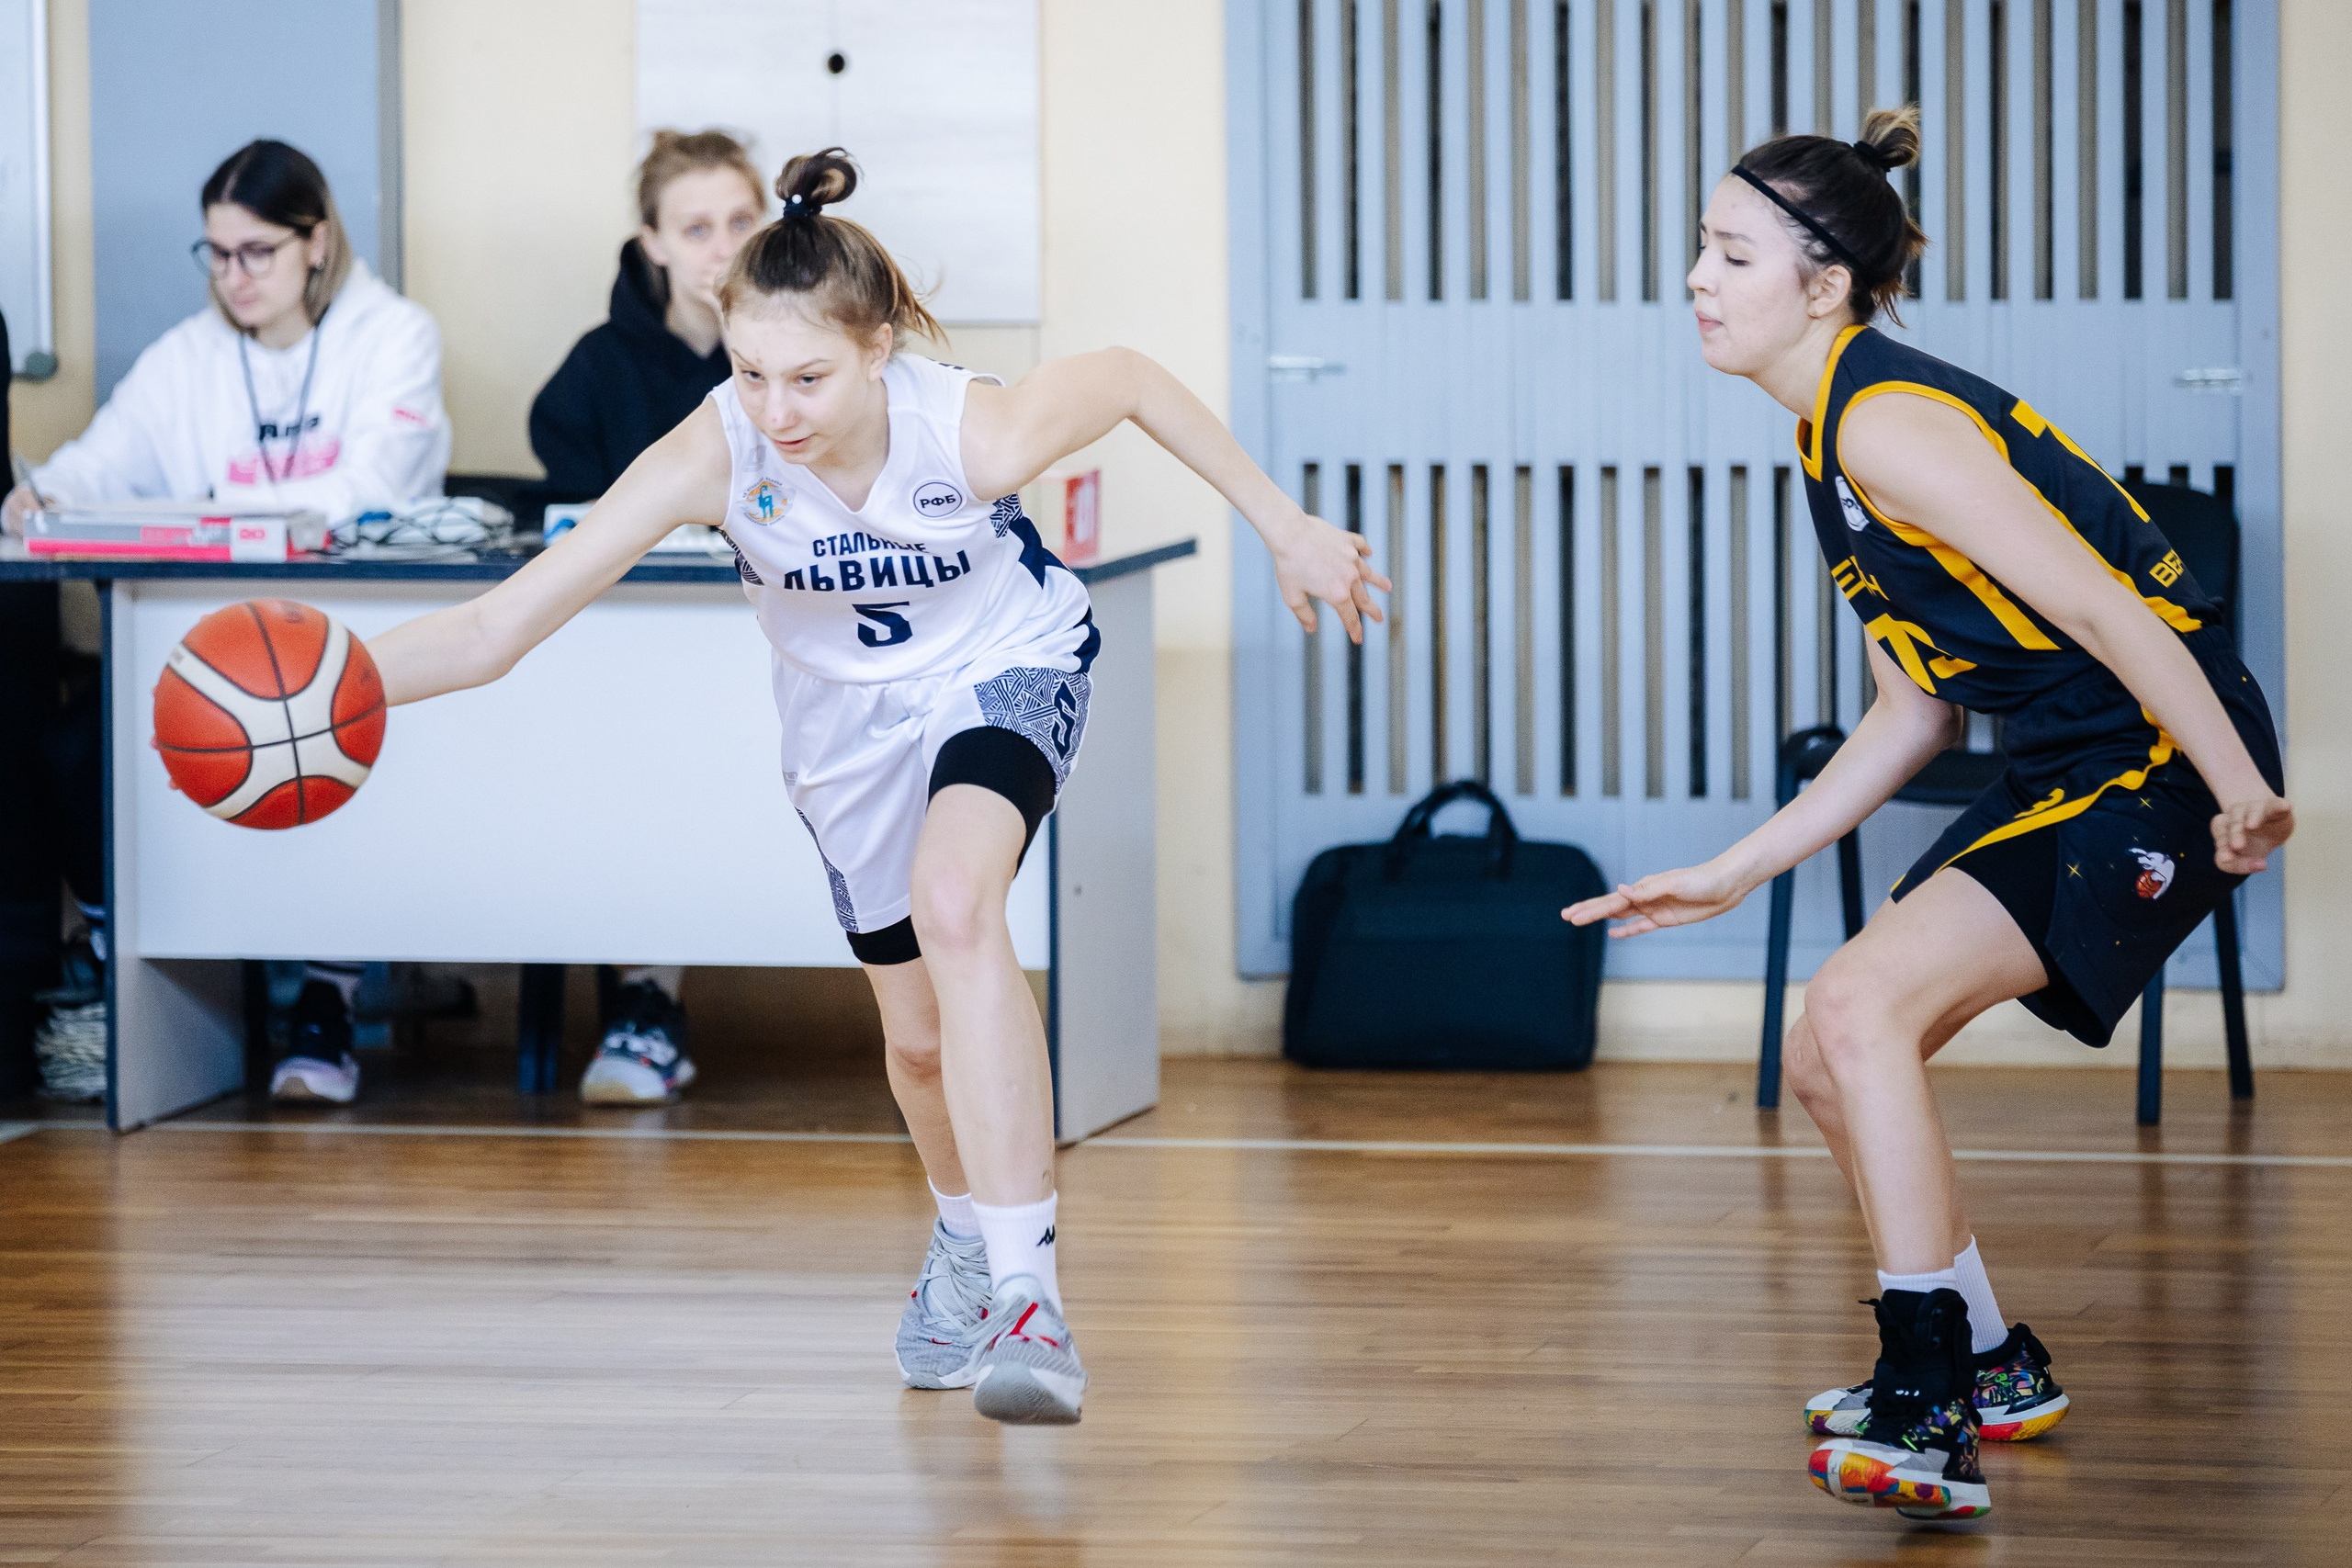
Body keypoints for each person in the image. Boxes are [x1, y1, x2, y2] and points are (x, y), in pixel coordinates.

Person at [363, 148, 1381, 1425]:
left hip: (1001, 670)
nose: (777, 408)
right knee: (914, 1038)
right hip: (844, 732)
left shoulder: (969, 428)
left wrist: (1283, 523)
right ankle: (963, 1235)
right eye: (749, 374)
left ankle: (1028, 1294)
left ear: (880, 349)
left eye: (809, 376)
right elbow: (493, 630)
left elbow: (1125, 378)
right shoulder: (716, 452)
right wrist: (321, 693)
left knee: (961, 902)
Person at [1567, 107, 2290, 1522]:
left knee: (1854, 1014)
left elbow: (2105, 601)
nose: (1698, 280)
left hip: (2156, 750)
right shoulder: (1824, 437)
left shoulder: (1887, 420)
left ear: (1824, 285)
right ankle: (1991, 1362)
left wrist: (2242, 785)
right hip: (2074, 755)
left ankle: (1926, 1402)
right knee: (1830, 1049)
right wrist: (1734, 867)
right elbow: (1916, 709)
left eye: (1729, 253)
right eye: (1699, 251)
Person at [4, 138, 452, 1107]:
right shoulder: (187, 358)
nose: (233, 277)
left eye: (256, 253)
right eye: (215, 253)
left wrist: (228, 514)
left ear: (317, 242)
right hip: (206, 658)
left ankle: (325, 998)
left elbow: (377, 486)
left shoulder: (395, 335)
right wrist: (40, 496)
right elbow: (94, 462)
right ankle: (149, 977)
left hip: (347, 651)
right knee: (78, 752)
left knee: (338, 756)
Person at [527, 130, 767, 1105]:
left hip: (777, 643)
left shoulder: (807, 351)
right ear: (653, 243)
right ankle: (645, 1000)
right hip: (631, 658)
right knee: (633, 749)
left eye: (741, 222)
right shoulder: (594, 372)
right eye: (696, 227)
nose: (721, 246)